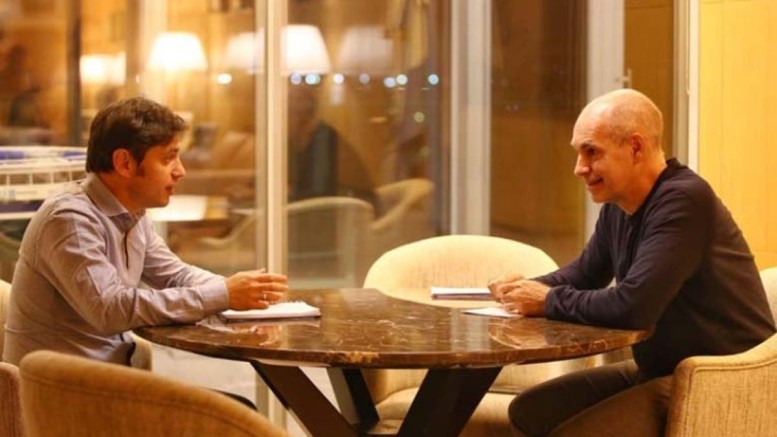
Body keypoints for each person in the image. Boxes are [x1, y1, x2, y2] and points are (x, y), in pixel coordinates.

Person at [488, 89, 776, 437]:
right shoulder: (619, 205)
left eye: (591, 151)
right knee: (530, 412)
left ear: (635, 147)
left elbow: (633, 308)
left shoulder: (684, 199)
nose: (579, 168)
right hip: (664, 370)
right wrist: (523, 291)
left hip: (724, 380)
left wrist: (547, 300)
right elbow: (585, 274)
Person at [2, 96, 288, 367]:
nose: (180, 171)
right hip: (56, 388)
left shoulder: (132, 215)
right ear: (125, 163)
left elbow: (175, 275)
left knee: (229, 402)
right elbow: (110, 309)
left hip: (103, 378)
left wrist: (240, 293)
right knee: (226, 404)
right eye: (168, 158)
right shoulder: (69, 219)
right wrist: (223, 294)